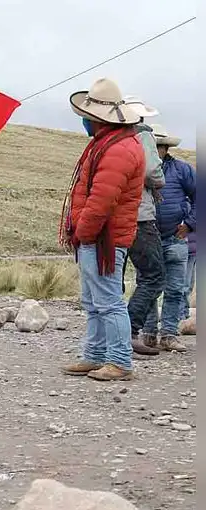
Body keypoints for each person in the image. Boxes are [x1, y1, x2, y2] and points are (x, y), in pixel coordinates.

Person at [59, 78, 145, 381]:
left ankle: (120, 361)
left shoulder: (117, 149)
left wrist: (82, 232)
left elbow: (102, 200)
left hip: (102, 239)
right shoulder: (109, 144)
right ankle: (95, 355)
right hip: (99, 238)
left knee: (107, 301)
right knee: (94, 301)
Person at [117, 99, 166, 356]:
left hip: (112, 216)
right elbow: (153, 174)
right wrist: (159, 181)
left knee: (114, 278)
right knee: (154, 275)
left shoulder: (108, 136)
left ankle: (110, 335)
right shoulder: (142, 135)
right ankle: (129, 331)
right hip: (139, 216)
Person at [141, 124, 195, 351]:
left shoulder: (183, 170)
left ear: (164, 149)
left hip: (175, 239)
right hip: (147, 238)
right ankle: (149, 333)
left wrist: (190, 225)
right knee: (149, 287)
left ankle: (169, 334)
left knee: (175, 288)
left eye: (157, 148)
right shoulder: (140, 170)